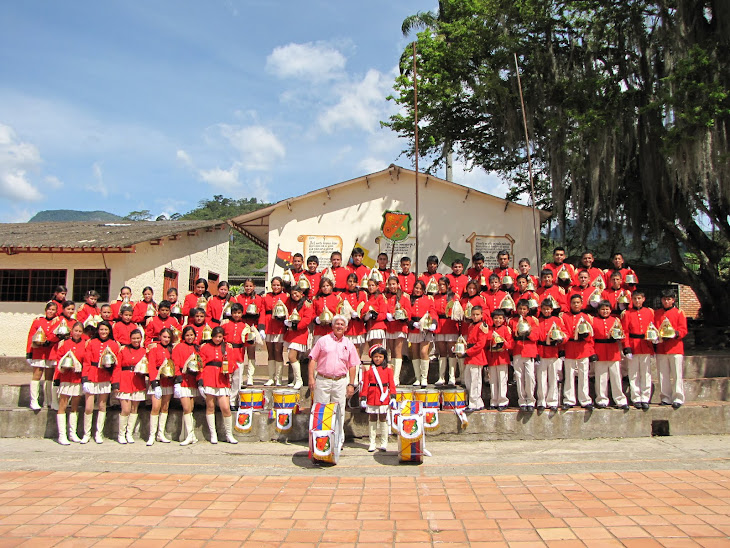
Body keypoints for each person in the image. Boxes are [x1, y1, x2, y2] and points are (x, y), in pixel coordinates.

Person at [308, 315, 360, 451]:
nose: (339, 326)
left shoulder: (349, 344)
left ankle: (338, 441)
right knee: (321, 410)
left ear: (346, 328)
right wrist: (311, 378)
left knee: (339, 411)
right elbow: (313, 359)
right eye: (337, 324)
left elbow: (353, 365)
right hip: (323, 380)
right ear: (332, 326)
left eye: (342, 324)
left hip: (340, 381)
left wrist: (351, 384)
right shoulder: (322, 341)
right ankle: (320, 439)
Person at [198, 326, 238, 444]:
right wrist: (200, 380)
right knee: (210, 406)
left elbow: (233, 363)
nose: (217, 339)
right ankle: (213, 434)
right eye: (215, 336)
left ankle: (229, 434)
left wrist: (228, 368)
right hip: (209, 377)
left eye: (220, 337)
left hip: (222, 378)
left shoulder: (227, 347)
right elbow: (200, 365)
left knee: (225, 407)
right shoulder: (205, 347)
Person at [82, 321, 119, 444]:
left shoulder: (113, 344)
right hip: (92, 375)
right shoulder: (91, 343)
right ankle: (86, 433)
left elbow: (116, 365)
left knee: (102, 405)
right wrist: (85, 378)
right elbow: (86, 361)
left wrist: (114, 382)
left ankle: (99, 433)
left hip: (105, 376)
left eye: (106, 330)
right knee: (89, 407)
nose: (103, 332)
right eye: (101, 329)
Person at [52, 321, 85, 445]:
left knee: (75, 407)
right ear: (71, 331)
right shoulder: (65, 344)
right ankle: (62, 434)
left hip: (77, 378)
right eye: (75, 331)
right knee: (63, 405)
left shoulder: (85, 344)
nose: (77, 333)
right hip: (66, 378)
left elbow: (85, 360)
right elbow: (59, 360)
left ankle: (72, 433)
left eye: (80, 331)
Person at [621, 291, 655, 409]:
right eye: (635, 298)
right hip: (633, 345)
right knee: (633, 373)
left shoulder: (649, 312)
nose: (637, 301)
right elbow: (625, 331)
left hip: (645, 344)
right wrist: (626, 347)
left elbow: (653, 328)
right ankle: (636, 398)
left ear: (643, 299)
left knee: (645, 373)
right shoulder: (627, 313)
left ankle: (645, 397)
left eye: (639, 298)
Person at [592, 301, 629, 410]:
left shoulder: (615, 320)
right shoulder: (594, 321)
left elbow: (622, 334)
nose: (605, 311)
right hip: (600, 351)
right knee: (600, 378)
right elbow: (591, 339)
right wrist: (592, 353)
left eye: (607, 309)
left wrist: (625, 345)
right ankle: (601, 399)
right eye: (603, 309)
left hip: (613, 352)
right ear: (599, 311)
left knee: (616, 377)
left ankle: (620, 400)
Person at [654, 289, 687, 409]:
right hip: (661, 347)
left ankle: (678, 397)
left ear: (673, 300)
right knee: (663, 374)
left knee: (677, 374)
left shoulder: (679, 313)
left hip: (675, 347)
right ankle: (665, 397)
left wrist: (675, 333)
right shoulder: (657, 313)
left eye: (669, 299)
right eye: (664, 299)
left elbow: (683, 330)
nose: (666, 301)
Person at [561, 295, 595, 410]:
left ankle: (585, 399)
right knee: (569, 375)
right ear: (570, 304)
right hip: (570, 348)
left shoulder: (585, 317)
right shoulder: (565, 317)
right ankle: (569, 399)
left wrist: (586, 336)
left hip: (583, 349)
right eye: (574, 302)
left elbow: (591, 335)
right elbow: (563, 331)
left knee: (583, 375)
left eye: (578, 302)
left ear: (582, 304)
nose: (576, 305)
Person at [113, 329, 147, 444]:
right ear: (130, 339)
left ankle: (129, 433)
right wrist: (116, 382)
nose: (136, 340)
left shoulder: (144, 351)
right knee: (125, 409)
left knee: (134, 409)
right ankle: (121, 434)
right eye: (134, 338)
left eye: (138, 338)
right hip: (125, 379)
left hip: (138, 380)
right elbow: (117, 367)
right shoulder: (123, 350)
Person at [360, 345, 395, 452]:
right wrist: (363, 398)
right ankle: (372, 442)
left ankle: (384, 442)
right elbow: (365, 384)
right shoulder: (369, 370)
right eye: (375, 356)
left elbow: (392, 384)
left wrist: (393, 396)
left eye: (380, 356)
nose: (378, 359)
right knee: (372, 419)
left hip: (383, 396)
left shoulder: (388, 370)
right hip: (372, 397)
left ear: (384, 357)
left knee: (383, 419)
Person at [26, 301, 59, 411]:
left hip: (51, 352)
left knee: (49, 378)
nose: (51, 311)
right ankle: (34, 400)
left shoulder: (57, 322)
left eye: (53, 310)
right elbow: (31, 336)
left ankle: (48, 400)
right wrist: (29, 353)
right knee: (37, 376)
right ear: (46, 310)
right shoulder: (38, 321)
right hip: (39, 352)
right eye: (49, 309)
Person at [173, 326, 201, 446]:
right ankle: (189, 435)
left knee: (190, 408)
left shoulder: (197, 348)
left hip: (192, 382)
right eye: (187, 335)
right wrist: (178, 379)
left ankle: (190, 435)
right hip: (183, 381)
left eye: (192, 335)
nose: (190, 337)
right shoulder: (179, 347)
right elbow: (175, 363)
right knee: (186, 408)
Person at [509, 300, 540, 411]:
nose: (522, 311)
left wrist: (527, 332)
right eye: (520, 309)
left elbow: (536, 336)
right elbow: (511, 336)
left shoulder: (532, 320)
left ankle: (531, 400)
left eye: (524, 309)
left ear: (528, 310)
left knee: (530, 376)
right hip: (517, 351)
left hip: (529, 351)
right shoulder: (512, 321)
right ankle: (522, 400)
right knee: (519, 376)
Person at [146, 328, 175, 445]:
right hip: (157, 380)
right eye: (164, 337)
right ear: (159, 337)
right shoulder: (154, 348)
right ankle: (151, 435)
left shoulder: (171, 349)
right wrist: (154, 382)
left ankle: (160, 433)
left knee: (165, 407)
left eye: (168, 337)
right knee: (155, 407)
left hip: (167, 381)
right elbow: (151, 365)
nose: (166, 339)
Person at [456, 305, 488, 410]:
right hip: (470, 356)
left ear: (481, 315)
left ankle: (474, 403)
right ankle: (477, 402)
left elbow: (480, 344)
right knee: (468, 379)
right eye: (473, 314)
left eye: (477, 314)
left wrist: (468, 352)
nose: (475, 316)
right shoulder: (470, 326)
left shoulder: (482, 326)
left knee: (476, 381)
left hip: (477, 356)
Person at [536, 299, 566, 411]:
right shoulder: (537, 321)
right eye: (544, 309)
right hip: (541, 351)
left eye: (548, 309)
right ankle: (541, 401)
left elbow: (564, 334)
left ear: (552, 309)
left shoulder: (557, 320)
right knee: (541, 378)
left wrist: (560, 341)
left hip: (553, 352)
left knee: (553, 377)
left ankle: (553, 401)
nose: (546, 311)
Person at [259, 276, 289, 386]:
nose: (276, 287)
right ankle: (271, 377)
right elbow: (262, 311)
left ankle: (279, 378)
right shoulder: (266, 297)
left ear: (281, 286)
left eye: (278, 285)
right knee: (270, 352)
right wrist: (261, 328)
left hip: (279, 326)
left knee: (278, 351)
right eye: (274, 285)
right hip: (268, 325)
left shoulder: (285, 297)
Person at [222, 303, 252, 407]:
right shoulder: (225, 324)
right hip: (227, 354)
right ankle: (224, 399)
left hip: (239, 353)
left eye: (239, 313)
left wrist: (251, 340)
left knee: (237, 378)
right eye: (234, 313)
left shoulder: (245, 326)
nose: (236, 315)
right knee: (225, 377)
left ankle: (233, 400)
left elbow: (247, 341)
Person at [283, 286, 313, 390]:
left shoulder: (306, 304)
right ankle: (296, 379)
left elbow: (307, 319)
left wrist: (295, 326)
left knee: (291, 356)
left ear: (301, 293)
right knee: (294, 357)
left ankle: (299, 380)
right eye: (292, 294)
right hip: (291, 334)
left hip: (300, 333)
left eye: (296, 294)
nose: (294, 296)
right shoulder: (291, 303)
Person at [408, 280, 437, 386]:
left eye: (420, 288)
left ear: (424, 290)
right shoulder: (409, 299)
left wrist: (433, 323)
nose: (418, 290)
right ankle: (417, 378)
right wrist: (412, 323)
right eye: (416, 288)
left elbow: (433, 312)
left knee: (424, 352)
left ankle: (424, 377)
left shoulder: (429, 299)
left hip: (425, 329)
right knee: (415, 352)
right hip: (414, 328)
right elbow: (406, 313)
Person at [384, 276, 411, 385]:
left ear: (398, 285)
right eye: (390, 284)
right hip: (390, 326)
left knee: (398, 351)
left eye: (394, 284)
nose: (392, 286)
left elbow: (408, 312)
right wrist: (388, 315)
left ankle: (396, 377)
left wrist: (401, 315)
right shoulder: (386, 296)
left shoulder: (404, 297)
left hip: (400, 326)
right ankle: (392, 375)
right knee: (391, 352)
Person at [236, 278, 264, 385]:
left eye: (250, 286)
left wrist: (261, 328)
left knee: (251, 353)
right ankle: (239, 375)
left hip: (252, 327)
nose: (248, 288)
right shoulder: (239, 297)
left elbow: (261, 313)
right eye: (246, 286)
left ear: (254, 287)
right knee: (240, 352)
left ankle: (250, 376)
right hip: (242, 326)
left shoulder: (259, 298)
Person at [433, 277, 459, 386]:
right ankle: (441, 377)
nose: (441, 286)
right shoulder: (436, 297)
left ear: (448, 285)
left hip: (451, 324)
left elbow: (457, 310)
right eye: (440, 284)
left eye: (443, 284)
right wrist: (434, 322)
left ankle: (452, 377)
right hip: (440, 325)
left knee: (451, 351)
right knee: (442, 351)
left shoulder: (454, 296)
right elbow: (433, 310)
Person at [485, 310, 513, 410]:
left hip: (502, 357)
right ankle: (494, 400)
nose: (498, 320)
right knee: (493, 380)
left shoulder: (506, 329)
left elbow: (510, 344)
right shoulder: (489, 329)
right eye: (496, 318)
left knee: (502, 379)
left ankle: (502, 401)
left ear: (504, 319)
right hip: (492, 358)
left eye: (500, 318)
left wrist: (502, 342)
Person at [363, 279, 387, 348]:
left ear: (377, 286)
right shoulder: (368, 297)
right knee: (372, 350)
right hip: (370, 327)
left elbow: (383, 314)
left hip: (378, 327)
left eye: (373, 285)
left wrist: (374, 316)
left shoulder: (380, 297)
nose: (371, 287)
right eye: (369, 285)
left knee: (377, 350)